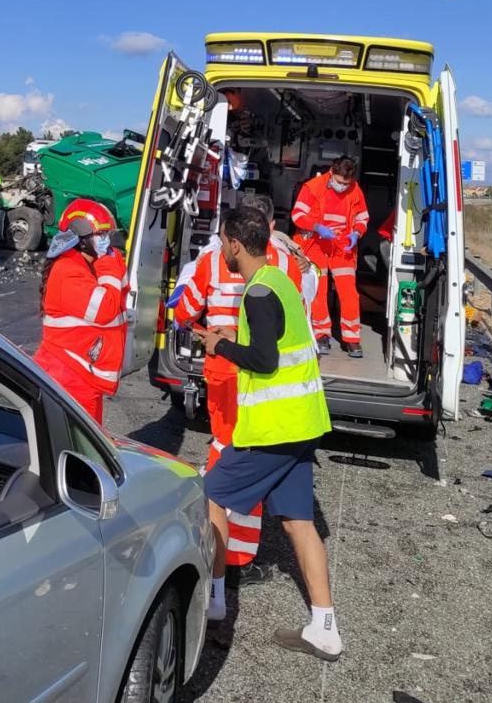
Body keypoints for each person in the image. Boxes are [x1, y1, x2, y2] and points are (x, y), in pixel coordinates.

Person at [192, 205, 341, 661]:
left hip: (274, 430)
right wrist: (233, 332)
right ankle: (325, 627)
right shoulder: (281, 281)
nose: (221, 250)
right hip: (303, 426)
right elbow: (274, 339)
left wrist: (220, 344)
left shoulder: (256, 292)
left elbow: (264, 360)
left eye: (222, 242)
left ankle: (215, 601)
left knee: (210, 494)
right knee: (298, 522)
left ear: (236, 244)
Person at [169, 193, 311, 587]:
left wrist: (204, 328)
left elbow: (183, 312)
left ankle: (215, 548)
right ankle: (239, 558)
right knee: (251, 457)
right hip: (266, 383)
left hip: (223, 372)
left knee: (225, 448)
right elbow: (297, 311)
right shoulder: (282, 264)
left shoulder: (210, 262)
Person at [34, 199, 129, 425]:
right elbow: (106, 308)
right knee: (78, 451)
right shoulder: (68, 271)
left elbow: (121, 291)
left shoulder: (88, 265)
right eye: (100, 235)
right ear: (81, 238)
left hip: (81, 376)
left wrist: (110, 260)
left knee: (86, 451)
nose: (106, 241)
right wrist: (108, 262)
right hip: (67, 376)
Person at [291, 156, 370, 358]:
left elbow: (362, 217)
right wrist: (317, 227)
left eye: (347, 183)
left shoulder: (355, 189)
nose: (344, 186)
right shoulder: (313, 187)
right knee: (319, 290)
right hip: (316, 243)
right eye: (341, 182)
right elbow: (297, 215)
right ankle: (322, 334)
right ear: (332, 172)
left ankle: (352, 340)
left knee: (349, 292)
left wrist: (357, 233)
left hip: (342, 245)